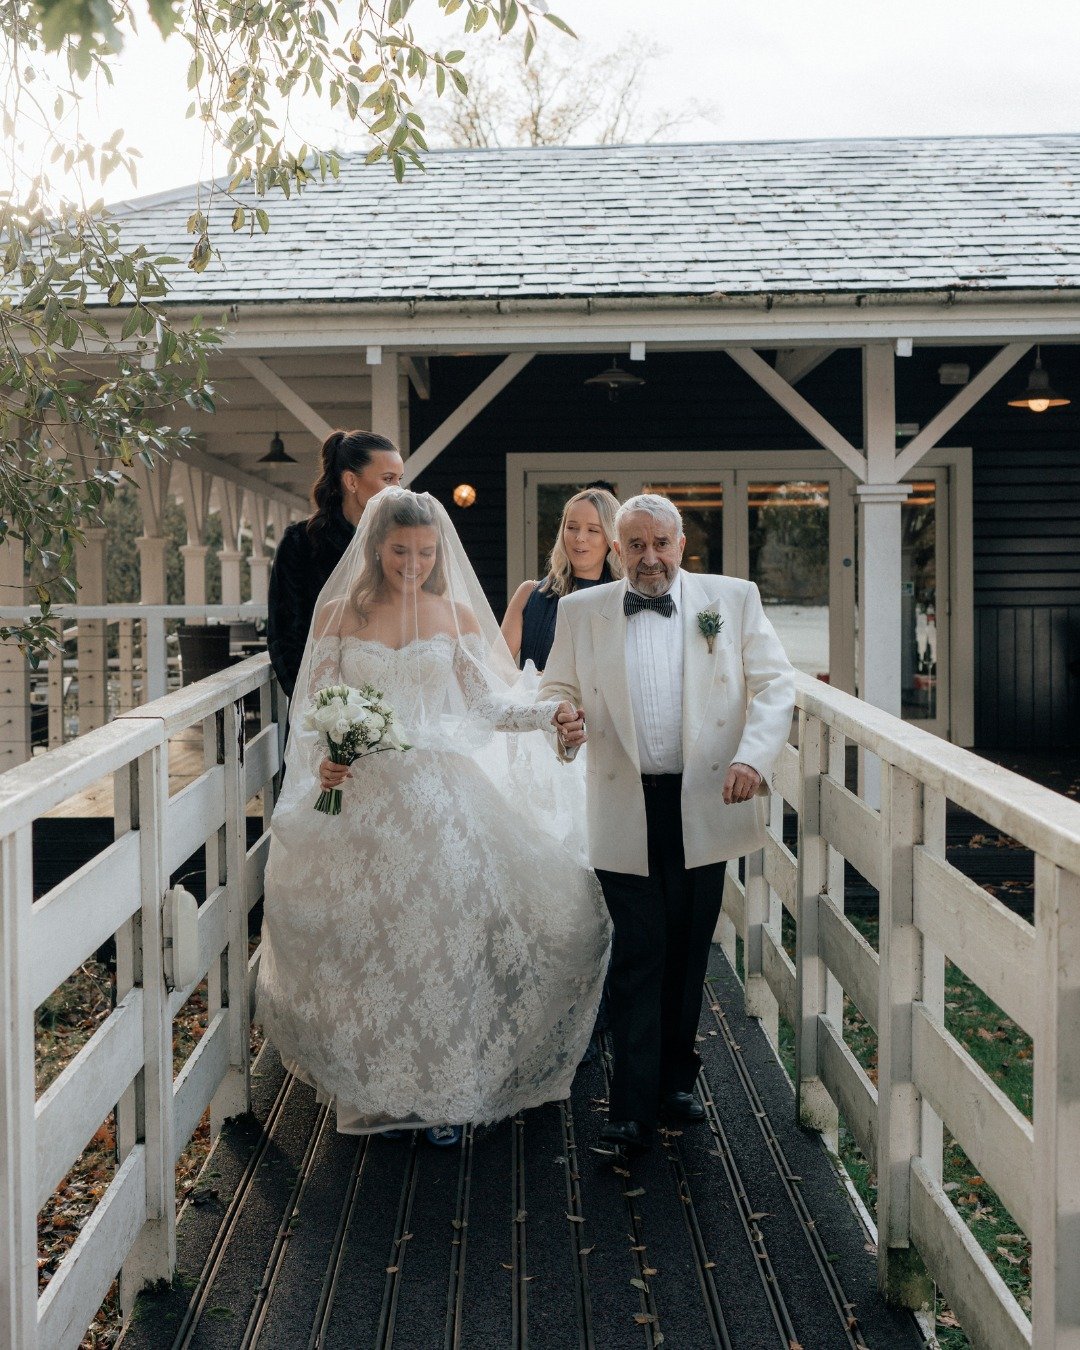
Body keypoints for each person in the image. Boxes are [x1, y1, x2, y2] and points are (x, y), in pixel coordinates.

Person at [256, 488, 611, 1147]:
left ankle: (446, 1090)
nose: (412, 563)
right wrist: (325, 759)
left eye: (423, 552)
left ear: (438, 551)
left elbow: (488, 705)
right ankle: (378, 1087)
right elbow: (313, 707)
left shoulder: (454, 618)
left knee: (444, 934)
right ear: (375, 548)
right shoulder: (338, 612)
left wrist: (546, 716)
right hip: (363, 797)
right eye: (399, 551)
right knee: (372, 938)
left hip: (441, 796)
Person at [539, 493, 795, 1157]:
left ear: (682, 545)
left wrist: (753, 757)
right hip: (622, 803)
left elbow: (774, 685)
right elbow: (555, 692)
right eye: (636, 546)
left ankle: (676, 1082)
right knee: (639, 951)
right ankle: (628, 1107)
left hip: (704, 801)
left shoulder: (732, 600)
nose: (649, 558)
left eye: (662, 544)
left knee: (686, 950)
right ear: (618, 550)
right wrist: (561, 722)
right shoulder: (580, 610)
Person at [267, 428, 404, 699]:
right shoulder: (300, 542)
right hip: (324, 703)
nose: (398, 490)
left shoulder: (401, 543)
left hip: (393, 696)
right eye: (388, 479)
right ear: (352, 481)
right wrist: (318, 708)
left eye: (400, 479)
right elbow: (284, 636)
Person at [501, 487, 622, 672]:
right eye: (572, 527)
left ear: (610, 538)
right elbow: (495, 667)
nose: (580, 538)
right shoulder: (529, 594)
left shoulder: (624, 599)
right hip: (534, 699)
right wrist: (534, 681)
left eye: (592, 530)